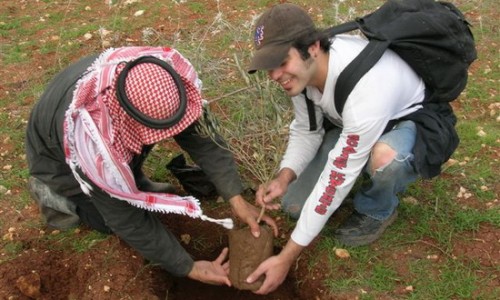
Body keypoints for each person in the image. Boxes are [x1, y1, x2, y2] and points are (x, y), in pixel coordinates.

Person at [246, 3, 459, 294]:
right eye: (269, 66)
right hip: (353, 125)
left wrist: (286, 258)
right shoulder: (303, 76)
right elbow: (307, 130)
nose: (274, 75)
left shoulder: (365, 87)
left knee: (386, 159)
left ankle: (377, 207)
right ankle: (360, 155)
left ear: (312, 47)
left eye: (281, 62)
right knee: (294, 206)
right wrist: (285, 176)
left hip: (409, 122)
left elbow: (337, 176)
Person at [25, 46, 277, 286]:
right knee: (108, 220)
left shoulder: (160, 79)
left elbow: (202, 140)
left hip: (105, 119)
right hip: (55, 156)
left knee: (139, 176)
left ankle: (131, 180)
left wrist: (235, 198)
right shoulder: (93, 143)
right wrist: (186, 266)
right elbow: (125, 219)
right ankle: (55, 195)